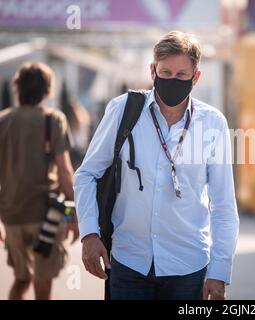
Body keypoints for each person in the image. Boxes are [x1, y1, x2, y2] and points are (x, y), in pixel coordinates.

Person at [74, 31, 239, 300]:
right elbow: (87, 175)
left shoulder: (213, 123)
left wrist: (220, 271)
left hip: (189, 267)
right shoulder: (123, 110)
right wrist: (89, 235)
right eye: (165, 72)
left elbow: (223, 205)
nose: (172, 81)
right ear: (153, 71)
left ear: (196, 77)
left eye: (181, 75)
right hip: (128, 262)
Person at [0, 62, 79, 300]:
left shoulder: (3, 121)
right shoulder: (52, 120)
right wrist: (73, 217)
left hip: (12, 216)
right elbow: (65, 173)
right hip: (45, 217)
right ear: (47, 90)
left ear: (18, 88)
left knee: (21, 280)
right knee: (42, 287)